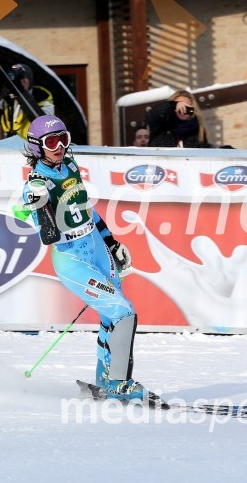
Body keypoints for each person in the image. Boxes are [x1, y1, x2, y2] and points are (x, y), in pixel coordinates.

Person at [21, 114, 163, 407]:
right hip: (72, 258)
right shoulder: (37, 182)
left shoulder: (69, 166)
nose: (59, 146)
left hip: (96, 246)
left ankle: (106, 380)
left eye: (64, 139)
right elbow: (48, 236)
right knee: (124, 311)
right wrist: (41, 203)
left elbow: (86, 208)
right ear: (37, 147)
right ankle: (121, 383)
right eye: (51, 141)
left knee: (113, 315)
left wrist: (111, 241)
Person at [0, 63, 54, 139]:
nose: (19, 82)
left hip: (33, 148)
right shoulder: (7, 101)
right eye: (16, 80)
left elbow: (44, 125)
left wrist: (20, 92)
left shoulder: (42, 97)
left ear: (30, 80)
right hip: (11, 149)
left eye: (22, 79)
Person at [145, 90, 211, 148]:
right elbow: (152, 115)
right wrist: (172, 104)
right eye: (180, 106)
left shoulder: (197, 128)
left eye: (186, 107)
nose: (182, 110)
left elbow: (203, 151)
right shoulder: (162, 124)